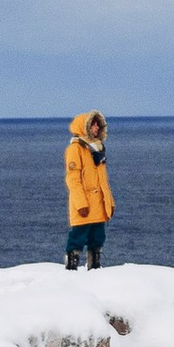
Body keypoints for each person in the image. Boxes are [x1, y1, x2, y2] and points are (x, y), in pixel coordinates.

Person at [63, 110, 113, 269]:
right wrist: (81, 203)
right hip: (84, 205)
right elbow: (73, 178)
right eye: (93, 124)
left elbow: (103, 181)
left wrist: (109, 202)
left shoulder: (98, 149)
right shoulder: (75, 149)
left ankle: (95, 265)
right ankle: (71, 266)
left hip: (98, 204)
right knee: (78, 236)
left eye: (98, 124)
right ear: (84, 127)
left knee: (98, 237)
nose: (96, 127)